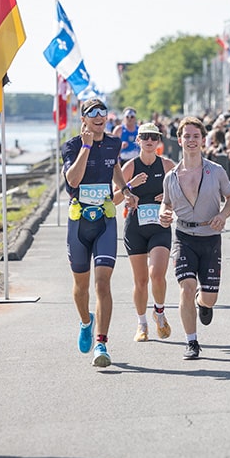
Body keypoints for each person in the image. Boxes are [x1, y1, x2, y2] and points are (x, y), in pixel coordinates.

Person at [158, 117, 230, 360]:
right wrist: (163, 213)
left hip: (210, 237)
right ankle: (191, 342)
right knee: (186, 287)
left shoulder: (216, 170)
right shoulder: (171, 176)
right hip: (183, 237)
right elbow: (165, 203)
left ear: (203, 140)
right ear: (180, 140)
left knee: (209, 298)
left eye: (195, 136)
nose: (191, 140)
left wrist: (223, 215)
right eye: (187, 136)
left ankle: (203, 304)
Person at [63, 98, 130, 367]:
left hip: (104, 220)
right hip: (79, 221)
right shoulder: (72, 145)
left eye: (103, 112)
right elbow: (73, 180)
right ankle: (85, 322)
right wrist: (87, 147)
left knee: (102, 283)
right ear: (84, 119)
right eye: (93, 113)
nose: (99, 117)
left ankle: (101, 343)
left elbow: (114, 166)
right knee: (81, 287)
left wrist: (125, 189)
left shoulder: (114, 143)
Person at [114, 122, 176, 342]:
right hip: (135, 228)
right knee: (140, 281)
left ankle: (159, 312)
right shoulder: (130, 166)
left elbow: (185, 194)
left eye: (154, 137)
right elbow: (113, 199)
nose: (150, 141)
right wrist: (129, 187)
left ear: (159, 141)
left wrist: (169, 199)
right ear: (138, 140)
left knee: (156, 275)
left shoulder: (168, 165)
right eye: (145, 137)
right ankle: (142, 324)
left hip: (160, 226)